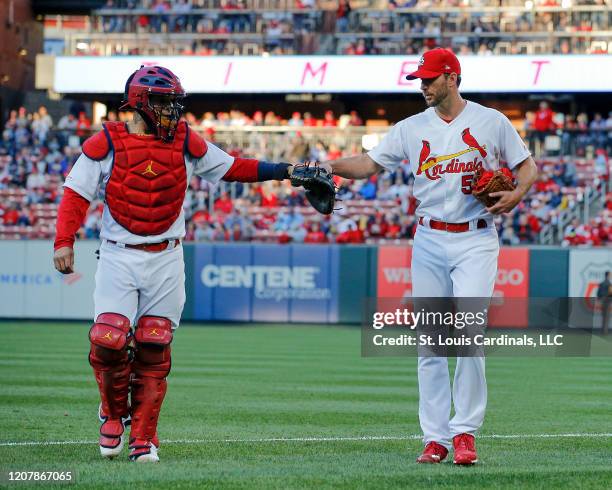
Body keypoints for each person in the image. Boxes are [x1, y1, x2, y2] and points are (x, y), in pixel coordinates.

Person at [53, 66, 295, 463]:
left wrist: (284, 172)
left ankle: (144, 438)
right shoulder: (106, 142)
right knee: (108, 338)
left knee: (154, 343)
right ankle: (113, 414)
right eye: (164, 102)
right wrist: (64, 241)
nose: (171, 110)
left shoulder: (185, 140)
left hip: (166, 254)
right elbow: (75, 194)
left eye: (172, 102)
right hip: (118, 252)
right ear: (141, 102)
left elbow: (232, 168)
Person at [319, 48, 537, 465]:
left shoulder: (491, 121)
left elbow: (527, 168)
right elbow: (368, 164)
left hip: (476, 238)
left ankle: (465, 433)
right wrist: (326, 166)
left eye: (429, 79)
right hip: (430, 239)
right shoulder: (410, 127)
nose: (422, 86)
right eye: (420, 79)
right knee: (432, 341)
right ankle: (435, 437)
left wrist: (516, 194)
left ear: (451, 78)